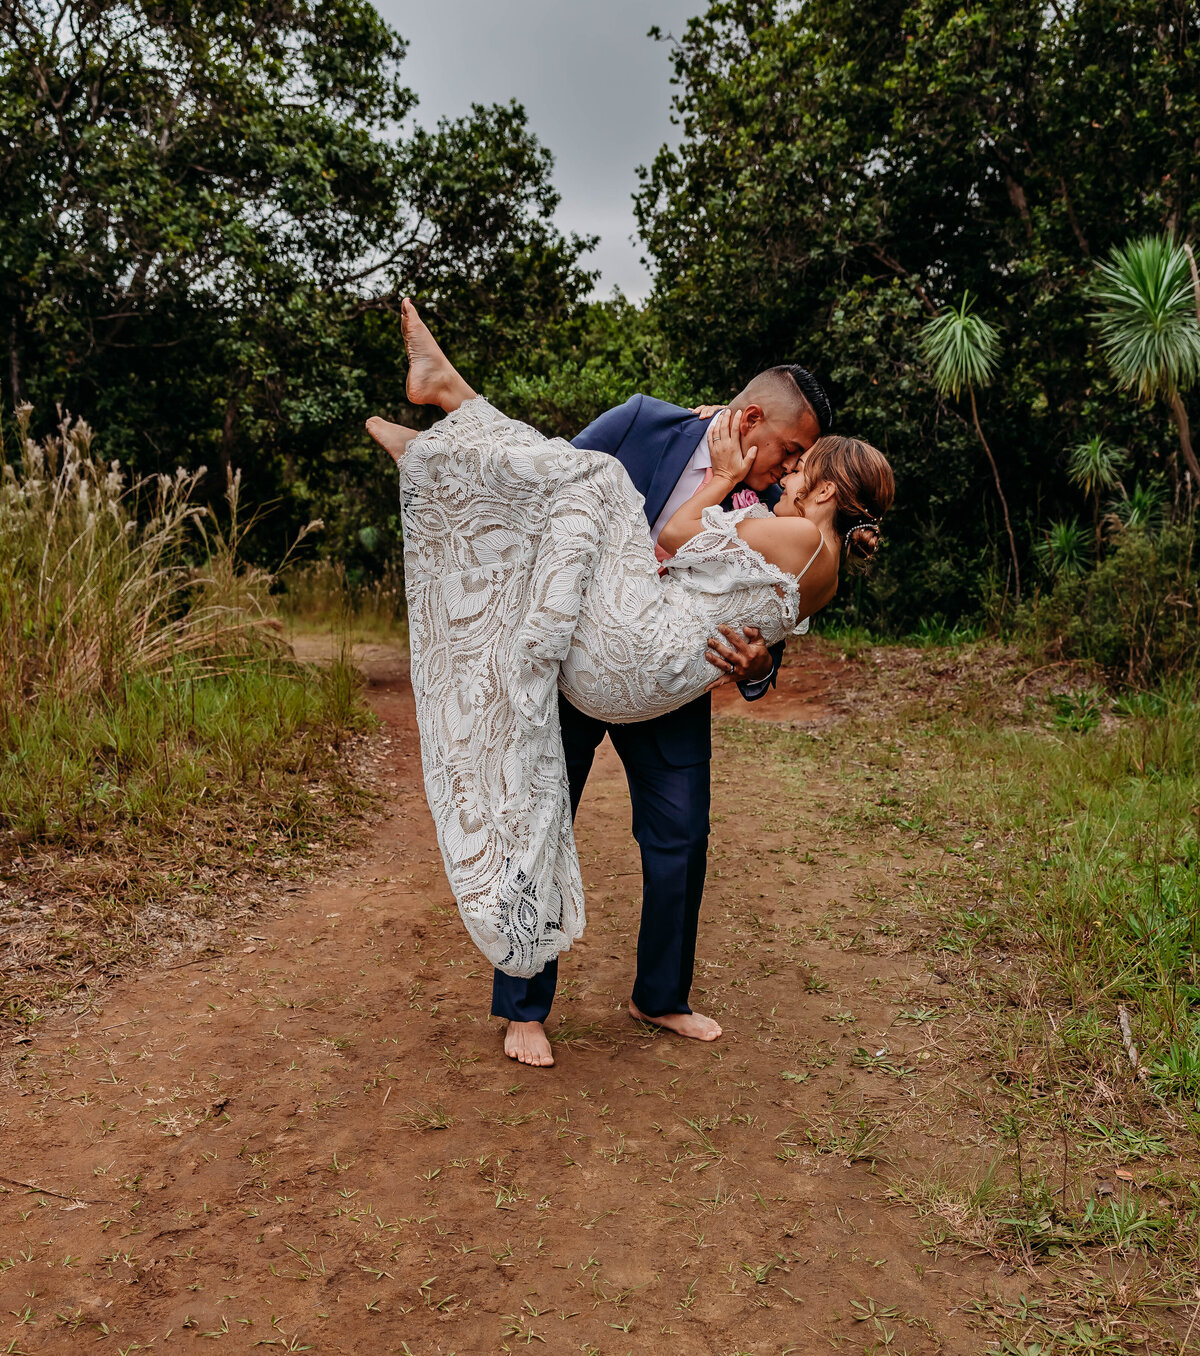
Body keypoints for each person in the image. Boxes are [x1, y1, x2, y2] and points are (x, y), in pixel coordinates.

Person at [368, 301, 894, 1067]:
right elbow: (546, 497)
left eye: (801, 462)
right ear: (751, 418)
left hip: (668, 681)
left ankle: (662, 995)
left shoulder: (767, 507)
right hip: (580, 647)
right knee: (538, 816)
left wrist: (759, 668)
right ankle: (524, 1008)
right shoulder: (645, 422)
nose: (786, 467)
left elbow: (758, 605)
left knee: (680, 837)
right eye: (788, 449)